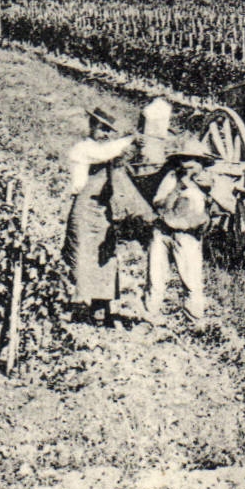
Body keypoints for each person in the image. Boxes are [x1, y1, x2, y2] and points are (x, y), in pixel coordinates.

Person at [63, 107, 151, 326]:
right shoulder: (83, 148)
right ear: (91, 125)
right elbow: (105, 153)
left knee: (105, 258)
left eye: (108, 131)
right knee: (83, 257)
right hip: (84, 209)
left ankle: (101, 308)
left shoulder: (109, 152)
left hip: (103, 211)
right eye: (101, 128)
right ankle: (79, 309)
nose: (104, 134)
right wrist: (130, 139)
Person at [146, 137, 235, 324]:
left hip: (188, 235)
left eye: (192, 161)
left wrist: (210, 190)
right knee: (156, 277)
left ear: (201, 163)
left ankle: (195, 319)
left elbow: (231, 206)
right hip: (162, 232)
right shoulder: (172, 178)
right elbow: (158, 204)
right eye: (183, 160)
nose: (187, 165)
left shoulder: (214, 181)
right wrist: (177, 189)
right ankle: (150, 315)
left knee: (192, 280)